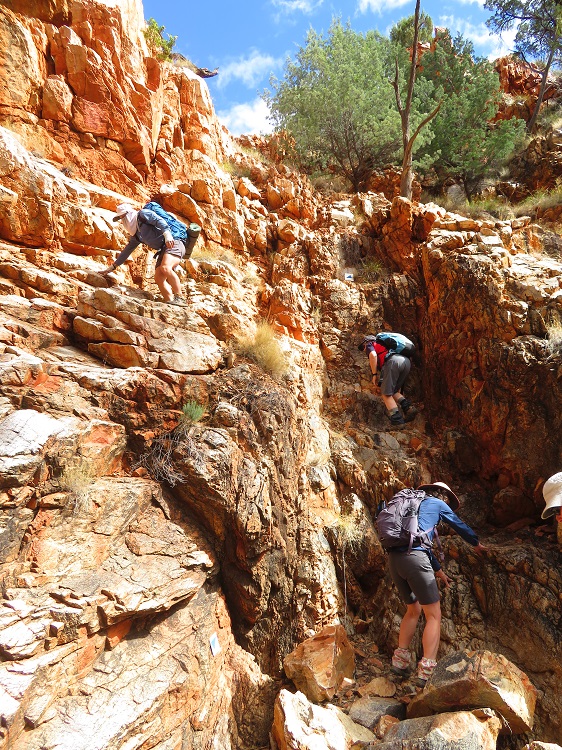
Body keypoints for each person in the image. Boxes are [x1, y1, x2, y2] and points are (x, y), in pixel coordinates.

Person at [387, 481, 486, 686]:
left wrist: (438, 572)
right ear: (443, 495)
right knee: (433, 615)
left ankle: (400, 662)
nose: (447, 503)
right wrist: (476, 543)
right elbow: (459, 525)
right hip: (415, 559)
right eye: (448, 500)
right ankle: (426, 670)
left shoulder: (410, 505)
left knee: (412, 609)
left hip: (395, 560)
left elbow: (417, 542)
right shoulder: (438, 504)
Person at [100, 203, 188, 306]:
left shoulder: (143, 214)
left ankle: (180, 298)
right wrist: (112, 267)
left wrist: (167, 235)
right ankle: (171, 303)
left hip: (175, 241)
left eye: (123, 216)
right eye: (120, 218)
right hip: (164, 248)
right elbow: (127, 251)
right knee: (159, 278)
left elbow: (159, 221)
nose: (122, 220)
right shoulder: (137, 234)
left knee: (165, 267)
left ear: (129, 213)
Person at [358, 334, 417, 427]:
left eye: (362, 347)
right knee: (393, 391)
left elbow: (373, 355)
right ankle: (408, 407)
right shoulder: (386, 347)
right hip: (406, 362)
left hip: (393, 362)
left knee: (386, 394)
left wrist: (374, 374)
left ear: (366, 342)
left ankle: (397, 422)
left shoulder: (370, 344)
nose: (364, 350)